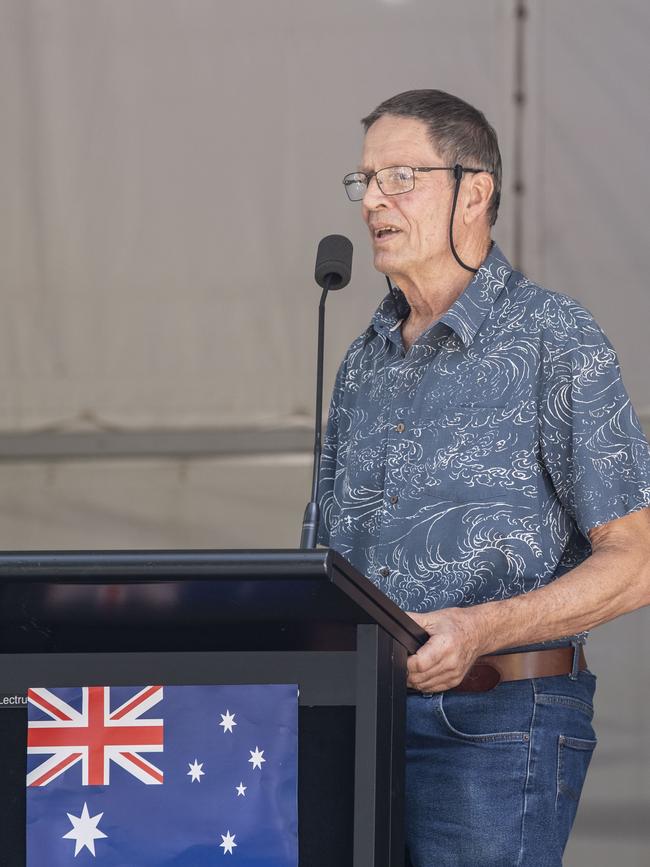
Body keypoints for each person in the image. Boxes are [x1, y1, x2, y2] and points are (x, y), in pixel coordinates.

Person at [317, 89, 650, 867]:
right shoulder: (363, 356)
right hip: (360, 719)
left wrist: (478, 629)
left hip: (498, 720)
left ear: (476, 191)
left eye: (400, 176)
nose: (372, 201)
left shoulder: (552, 336)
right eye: (363, 180)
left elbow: (637, 561)